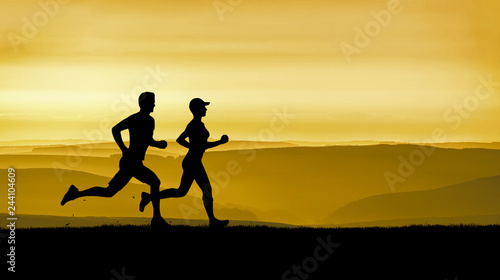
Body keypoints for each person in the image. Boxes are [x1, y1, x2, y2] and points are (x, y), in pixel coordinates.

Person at [60, 92, 169, 228]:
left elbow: (147, 140)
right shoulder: (141, 119)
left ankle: (75, 193)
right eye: (152, 101)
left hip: (132, 162)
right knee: (154, 182)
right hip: (131, 163)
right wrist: (124, 149)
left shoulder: (146, 120)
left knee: (109, 192)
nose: (154, 104)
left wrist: (158, 144)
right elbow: (115, 129)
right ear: (145, 104)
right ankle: (156, 219)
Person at [139, 98, 229, 229]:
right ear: (197, 109)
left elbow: (187, 142)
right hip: (193, 162)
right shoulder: (195, 125)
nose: (206, 109)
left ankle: (149, 197)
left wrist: (194, 147)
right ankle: (213, 221)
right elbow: (188, 142)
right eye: (204, 107)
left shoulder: (197, 124)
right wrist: (216, 143)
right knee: (205, 189)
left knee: (182, 191)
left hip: (192, 161)